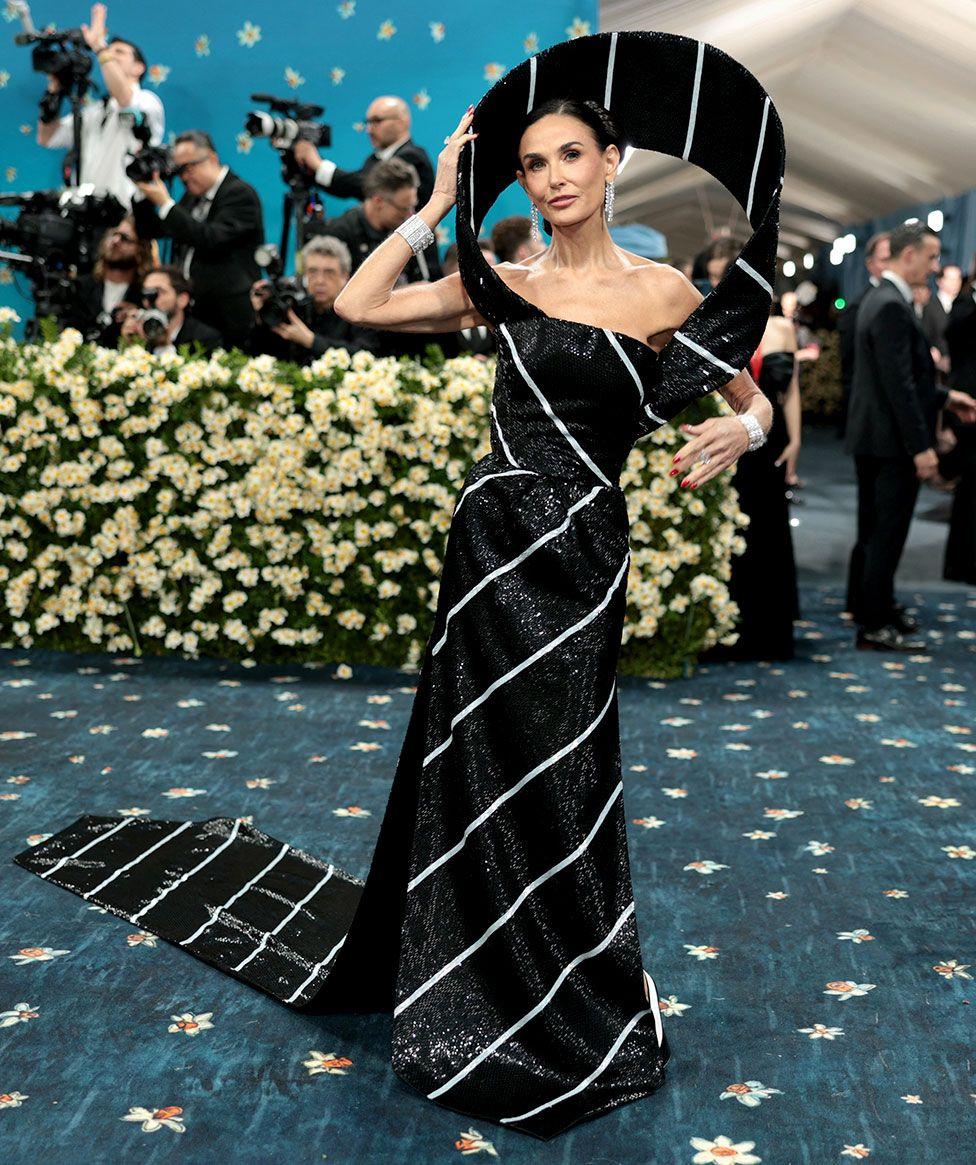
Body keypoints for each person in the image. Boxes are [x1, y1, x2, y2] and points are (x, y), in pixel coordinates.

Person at [14, 31, 785, 1139]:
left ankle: (563, 976)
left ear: (612, 160)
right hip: (490, 550)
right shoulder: (504, 284)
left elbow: (750, 398)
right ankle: (469, 969)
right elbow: (363, 306)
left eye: (571, 155)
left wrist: (742, 433)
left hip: (582, 554)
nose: (553, 178)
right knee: (475, 756)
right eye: (532, 164)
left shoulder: (663, 289)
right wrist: (435, 207)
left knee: (567, 762)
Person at [844, 222, 976, 651]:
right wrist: (921, 447)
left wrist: (946, 397)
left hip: (876, 437)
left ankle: (876, 609)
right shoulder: (891, 305)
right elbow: (898, 387)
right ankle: (874, 624)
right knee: (886, 533)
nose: (936, 266)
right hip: (891, 442)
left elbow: (902, 378)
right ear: (909, 255)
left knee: (876, 530)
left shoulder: (883, 298)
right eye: (932, 256)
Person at [700, 301, 801, 661]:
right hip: (730, 440)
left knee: (770, 526)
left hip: (772, 437)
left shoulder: (782, 329)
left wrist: (797, 440)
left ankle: (770, 629)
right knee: (734, 525)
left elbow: (792, 390)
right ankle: (728, 626)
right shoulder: (717, 325)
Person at [309, 159, 454, 359]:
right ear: (378, 201)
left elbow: (430, 279)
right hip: (357, 343)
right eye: (403, 208)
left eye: (413, 207)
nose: (410, 215)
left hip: (410, 341)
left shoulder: (414, 228)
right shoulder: (340, 233)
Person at [131, 131, 264, 349]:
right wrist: (143, 193)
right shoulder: (192, 197)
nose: (183, 177)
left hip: (228, 314)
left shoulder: (240, 194)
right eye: (179, 170)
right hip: (195, 314)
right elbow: (150, 230)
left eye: (189, 167)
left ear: (212, 158)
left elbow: (210, 238)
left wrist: (166, 204)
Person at [36, 4, 164, 208]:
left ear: (139, 68)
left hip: (127, 213)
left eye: (119, 52)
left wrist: (99, 46)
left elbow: (126, 101)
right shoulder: (95, 110)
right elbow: (48, 137)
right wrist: (55, 89)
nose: (111, 56)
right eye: (109, 52)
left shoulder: (147, 101)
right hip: (88, 211)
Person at [244, 235, 378, 363]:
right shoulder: (293, 305)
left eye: (329, 273)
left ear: (345, 277)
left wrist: (311, 341)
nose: (319, 281)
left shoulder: (359, 312)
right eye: (312, 272)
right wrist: (261, 316)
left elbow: (366, 356)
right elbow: (258, 354)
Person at [293, 95, 436, 209]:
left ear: (402, 122)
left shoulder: (412, 156)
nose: (369, 129)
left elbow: (365, 186)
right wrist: (310, 169)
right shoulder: (374, 158)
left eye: (377, 121)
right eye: (368, 122)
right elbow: (347, 188)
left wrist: (318, 164)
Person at [63, 215, 154, 344]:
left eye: (125, 238)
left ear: (140, 250)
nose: (115, 241)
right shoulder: (79, 287)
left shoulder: (144, 298)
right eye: (114, 235)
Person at [836, 231, 890, 436]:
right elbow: (850, 366)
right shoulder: (857, 308)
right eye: (884, 259)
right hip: (871, 412)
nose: (890, 265)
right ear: (870, 264)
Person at [942, 261, 976, 582]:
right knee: (968, 488)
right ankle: (961, 564)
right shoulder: (966, 303)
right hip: (968, 405)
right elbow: (954, 335)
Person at [119, 264, 222, 353]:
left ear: (182, 299)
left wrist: (164, 345)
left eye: (159, 292)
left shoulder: (204, 338)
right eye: (147, 293)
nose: (150, 300)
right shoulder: (140, 332)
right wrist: (130, 346)